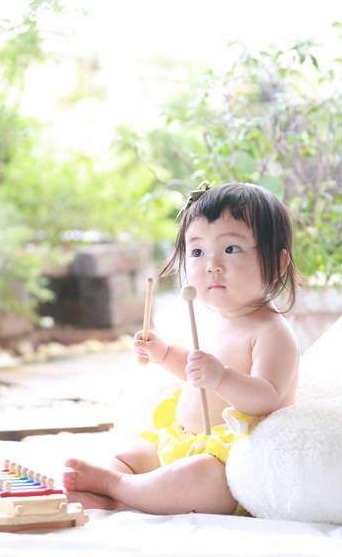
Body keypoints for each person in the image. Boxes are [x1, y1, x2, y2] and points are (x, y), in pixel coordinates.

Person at [62, 182, 300, 515]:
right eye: (198, 252)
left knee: (194, 476)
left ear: (276, 264)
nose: (211, 265)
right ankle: (117, 488)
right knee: (130, 452)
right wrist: (163, 354)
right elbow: (193, 371)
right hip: (185, 440)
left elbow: (266, 397)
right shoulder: (219, 321)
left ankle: (118, 487)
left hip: (230, 462)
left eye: (231, 249)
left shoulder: (271, 332)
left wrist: (221, 377)